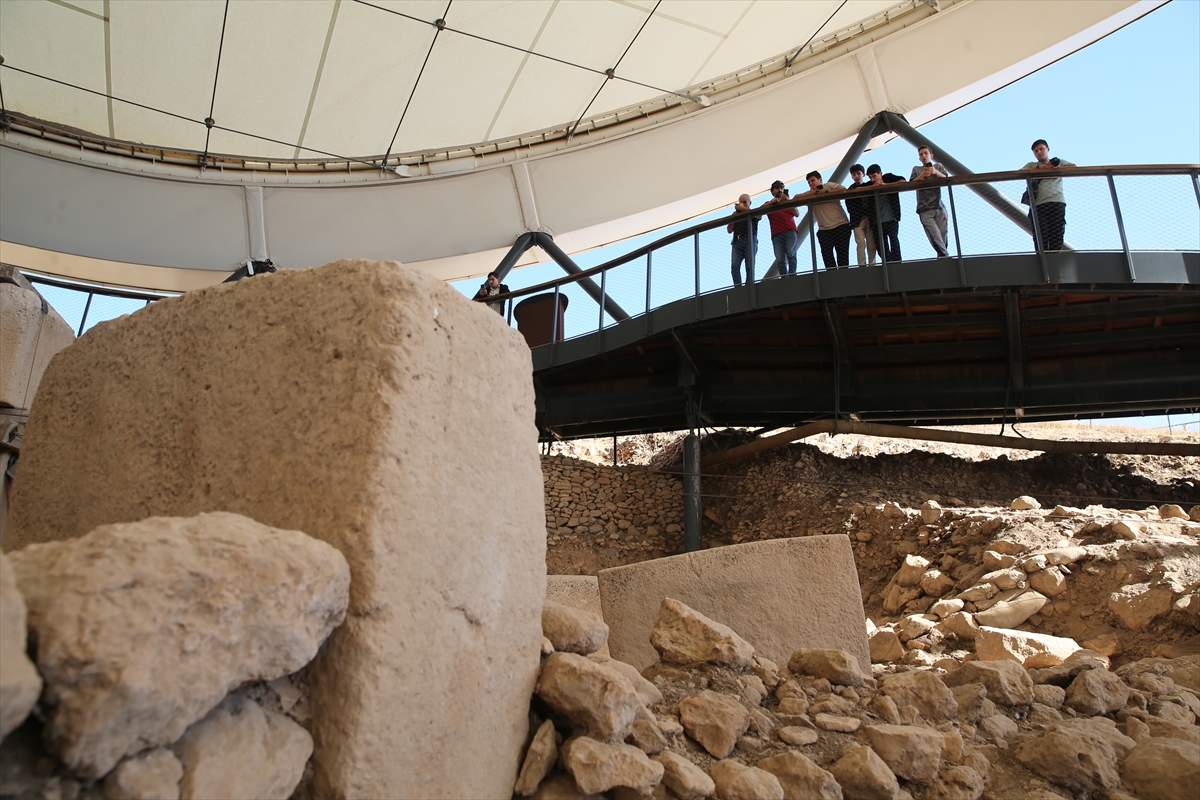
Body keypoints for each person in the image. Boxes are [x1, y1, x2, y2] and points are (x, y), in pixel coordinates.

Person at [1021, 139, 1076, 251]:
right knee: (1041, 236)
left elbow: (1074, 168)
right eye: (1036, 151)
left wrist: (1055, 168)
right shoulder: (1032, 165)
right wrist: (1041, 169)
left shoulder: (1058, 162)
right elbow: (1020, 173)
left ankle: (1054, 261)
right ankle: (1042, 261)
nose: (1039, 152)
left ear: (1048, 149)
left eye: (1041, 149)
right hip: (1038, 205)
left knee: (1056, 235)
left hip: (1057, 202)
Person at [801, 171, 852, 270]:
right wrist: (811, 195)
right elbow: (796, 198)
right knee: (827, 258)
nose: (811, 183)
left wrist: (827, 192)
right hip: (824, 230)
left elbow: (844, 190)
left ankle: (844, 278)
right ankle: (832, 278)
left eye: (813, 180)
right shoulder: (809, 194)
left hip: (841, 225)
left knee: (842, 257)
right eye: (809, 182)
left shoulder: (829, 186)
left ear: (820, 180)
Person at [909, 146, 951, 258]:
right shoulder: (916, 169)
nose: (923, 156)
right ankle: (945, 256)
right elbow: (911, 183)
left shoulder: (938, 166)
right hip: (924, 208)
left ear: (931, 156)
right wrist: (922, 175)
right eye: (921, 154)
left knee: (943, 233)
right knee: (934, 234)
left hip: (939, 206)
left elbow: (946, 179)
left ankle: (941, 256)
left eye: (925, 153)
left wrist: (935, 172)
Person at [864, 164, 905, 263]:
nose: (872, 179)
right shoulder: (869, 184)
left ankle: (897, 262)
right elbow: (856, 190)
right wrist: (872, 187)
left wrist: (885, 186)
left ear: (880, 173)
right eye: (870, 177)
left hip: (891, 218)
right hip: (876, 221)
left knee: (893, 240)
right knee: (881, 245)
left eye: (874, 176)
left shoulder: (888, 178)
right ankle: (887, 262)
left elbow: (903, 181)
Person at [765, 180, 799, 276]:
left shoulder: (788, 202)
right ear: (772, 191)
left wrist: (787, 201)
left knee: (791, 254)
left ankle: (792, 275)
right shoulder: (769, 203)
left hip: (789, 231)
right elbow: (761, 210)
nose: (780, 190)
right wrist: (772, 203)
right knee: (780, 259)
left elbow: (796, 213)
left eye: (781, 188)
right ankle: (784, 277)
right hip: (777, 234)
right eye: (777, 188)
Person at [845, 164, 877, 266]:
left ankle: (872, 263)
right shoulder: (850, 190)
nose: (856, 176)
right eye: (853, 174)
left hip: (870, 217)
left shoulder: (869, 185)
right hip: (857, 220)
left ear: (863, 174)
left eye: (858, 173)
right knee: (860, 242)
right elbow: (849, 207)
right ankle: (862, 264)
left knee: (871, 242)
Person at [727, 193, 761, 287]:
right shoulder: (736, 215)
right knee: (734, 266)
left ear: (750, 203)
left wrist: (743, 210)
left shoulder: (752, 212)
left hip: (750, 240)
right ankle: (738, 287)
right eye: (740, 202)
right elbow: (729, 230)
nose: (742, 204)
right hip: (737, 242)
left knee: (749, 266)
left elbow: (758, 216)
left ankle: (749, 286)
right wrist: (733, 218)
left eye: (745, 202)